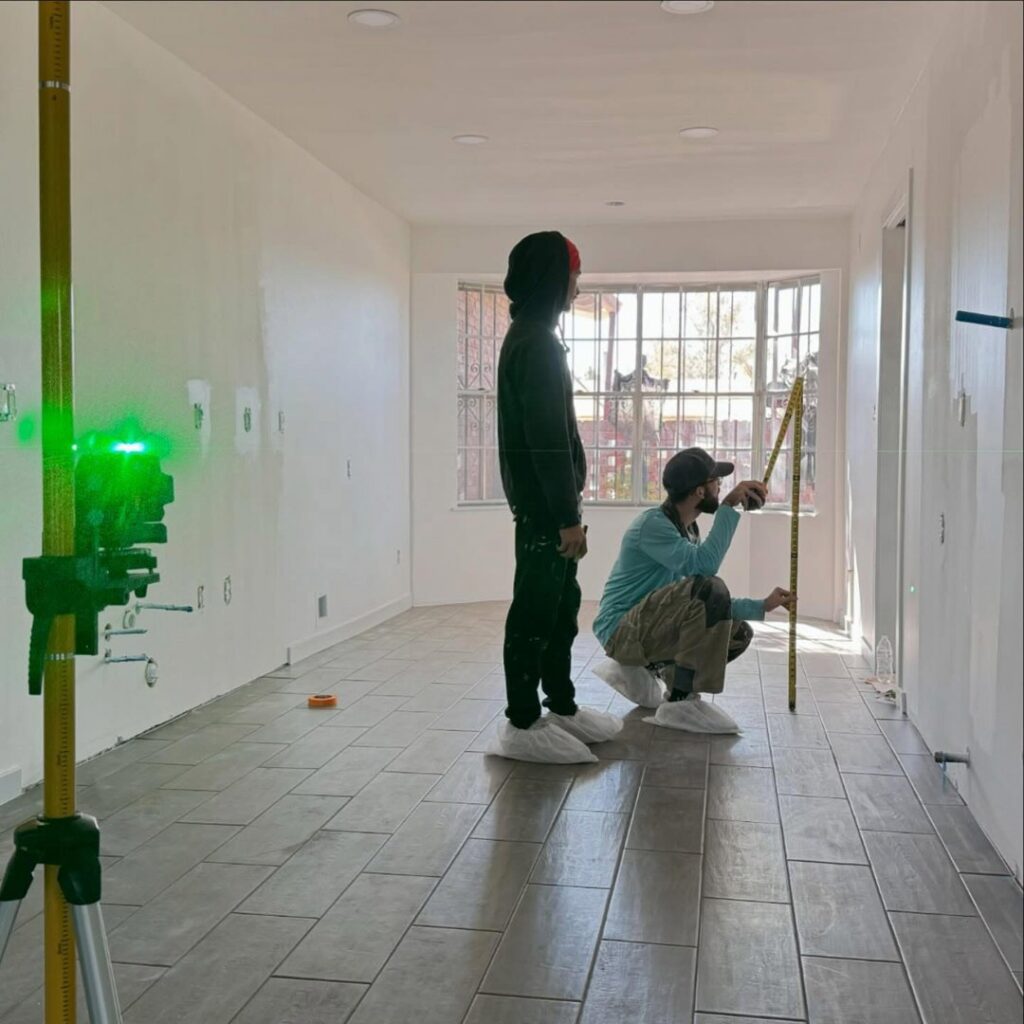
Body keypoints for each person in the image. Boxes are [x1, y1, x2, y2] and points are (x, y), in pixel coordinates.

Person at [488, 231, 622, 763]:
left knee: (560, 608)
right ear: (553, 277)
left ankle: (560, 708)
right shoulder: (535, 343)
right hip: (547, 512)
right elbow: (546, 437)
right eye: (575, 274)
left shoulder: (534, 337)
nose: (578, 286)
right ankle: (523, 723)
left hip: (550, 510)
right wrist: (566, 517)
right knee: (536, 613)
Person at [592, 447, 795, 732]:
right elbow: (706, 573)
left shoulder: (689, 530)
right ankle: (679, 699)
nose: (721, 486)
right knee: (711, 588)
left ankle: (653, 671)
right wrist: (727, 507)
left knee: (737, 634)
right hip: (620, 630)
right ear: (700, 492)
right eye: (716, 482)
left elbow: (704, 600)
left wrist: (761, 606)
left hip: (648, 624)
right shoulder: (653, 524)